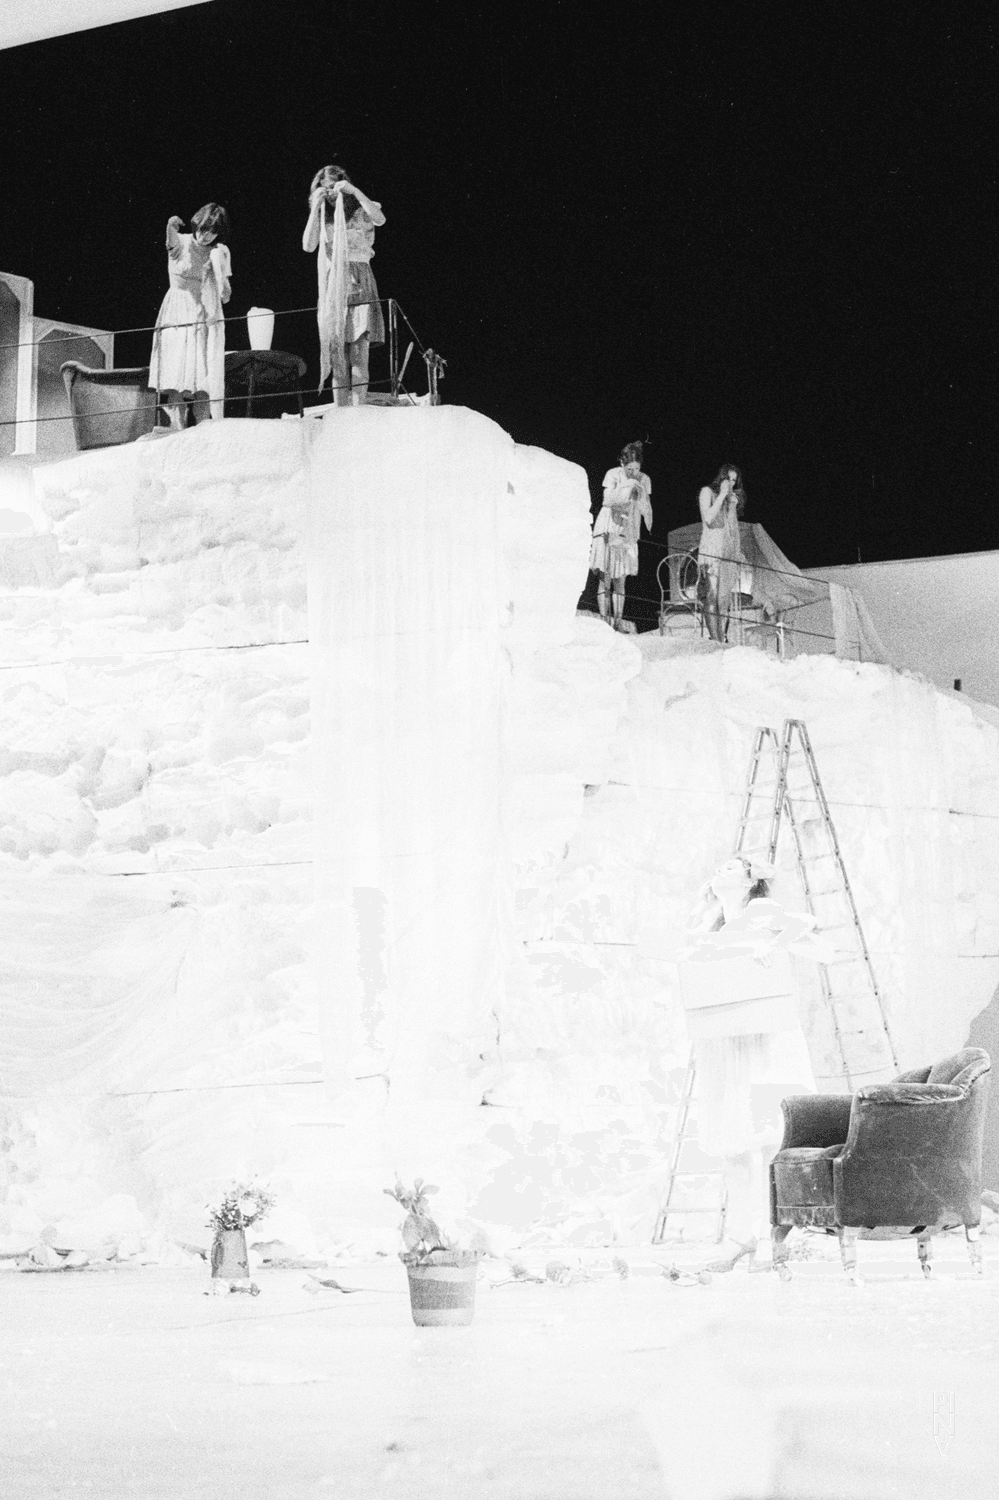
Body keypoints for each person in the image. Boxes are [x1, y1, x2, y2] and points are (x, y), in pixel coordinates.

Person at [677, 855, 823, 1270]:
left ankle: (772, 1234)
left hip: (763, 1036)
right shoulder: (708, 919)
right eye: (717, 866)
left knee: (767, 1133)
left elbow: (805, 924)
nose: (720, 870)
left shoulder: (761, 911)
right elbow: (693, 959)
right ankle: (739, 1236)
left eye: (731, 867)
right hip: (727, 1037)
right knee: (733, 1139)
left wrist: (769, 944)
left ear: (748, 880)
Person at [302, 164, 386, 406]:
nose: (329, 193)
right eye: (324, 189)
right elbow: (308, 246)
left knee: (359, 356)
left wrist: (354, 191)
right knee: (338, 358)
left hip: (358, 277)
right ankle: (340, 413)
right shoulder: (322, 215)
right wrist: (316, 207)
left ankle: (357, 412)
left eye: (333, 188)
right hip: (333, 284)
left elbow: (380, 219)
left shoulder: (360, 207)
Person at [149, 203, 231, 427]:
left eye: (212, 231)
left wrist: (219, 276)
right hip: (177, 311)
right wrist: (170, 225)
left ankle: (204, 432)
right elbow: (171, 241)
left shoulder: (217, 252)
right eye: (204, 229)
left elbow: (226, 295)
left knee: (202, 379)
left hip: (203, 313)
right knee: (177, 376)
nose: (206, 236)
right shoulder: (182, 242)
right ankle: (178, 431)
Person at [588, 441, 653, 630]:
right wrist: (626, 488)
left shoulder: (644, 479)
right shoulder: (613, 474)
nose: (633, 472)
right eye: (629, 468)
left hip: (628, 526)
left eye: (636, 468)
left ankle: (618, 620)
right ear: (622, 464)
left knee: (620, 578)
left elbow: (645, 506)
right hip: (610, 522)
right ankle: (604, 620)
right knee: (605, 575)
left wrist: (638, 494)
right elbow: (607, 499)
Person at [697, 464, 746, 642]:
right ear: (721, 478)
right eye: (728, 479)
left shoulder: (729, 500)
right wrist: (723, 495)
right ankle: (715, 638)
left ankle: (722, 638)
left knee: (724, 598)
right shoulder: (707, 492)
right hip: (711, 549)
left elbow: (732, 531)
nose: (731, 483)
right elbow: (708, 519)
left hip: (726, 551)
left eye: (734, 481)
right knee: (712, 594)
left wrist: (732, 506)